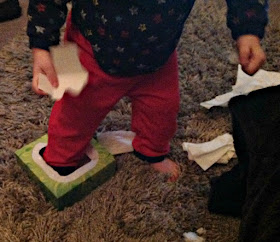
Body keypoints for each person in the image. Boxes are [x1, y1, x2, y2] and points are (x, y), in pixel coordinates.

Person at [27, 0, 268, 181]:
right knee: (76, 112)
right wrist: (42, 45)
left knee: (162, 111)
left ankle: (151, 152)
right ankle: (61, 158)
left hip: (158, 54)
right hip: (93, 49)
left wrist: (248, 29)